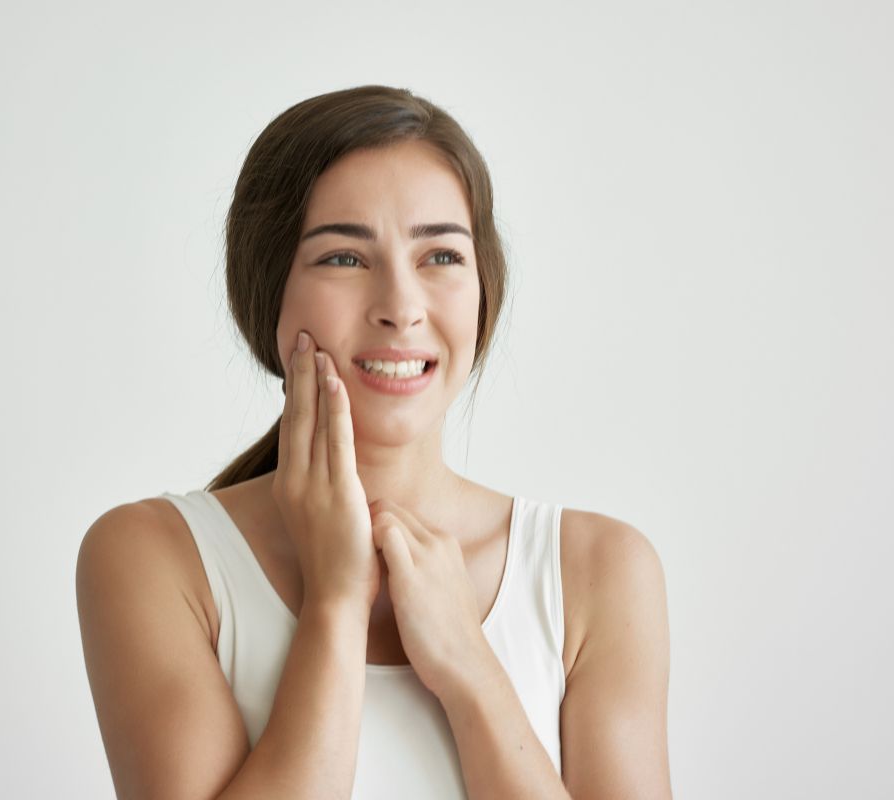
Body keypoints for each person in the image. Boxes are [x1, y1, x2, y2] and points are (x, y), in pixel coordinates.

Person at [76, 84, 672, 799]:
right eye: (345, 260)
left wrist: (468, 663)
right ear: (269, 291)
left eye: (441, 257)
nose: (400, 308)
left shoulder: (601, 570)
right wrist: (334, 603)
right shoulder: (155, 559)